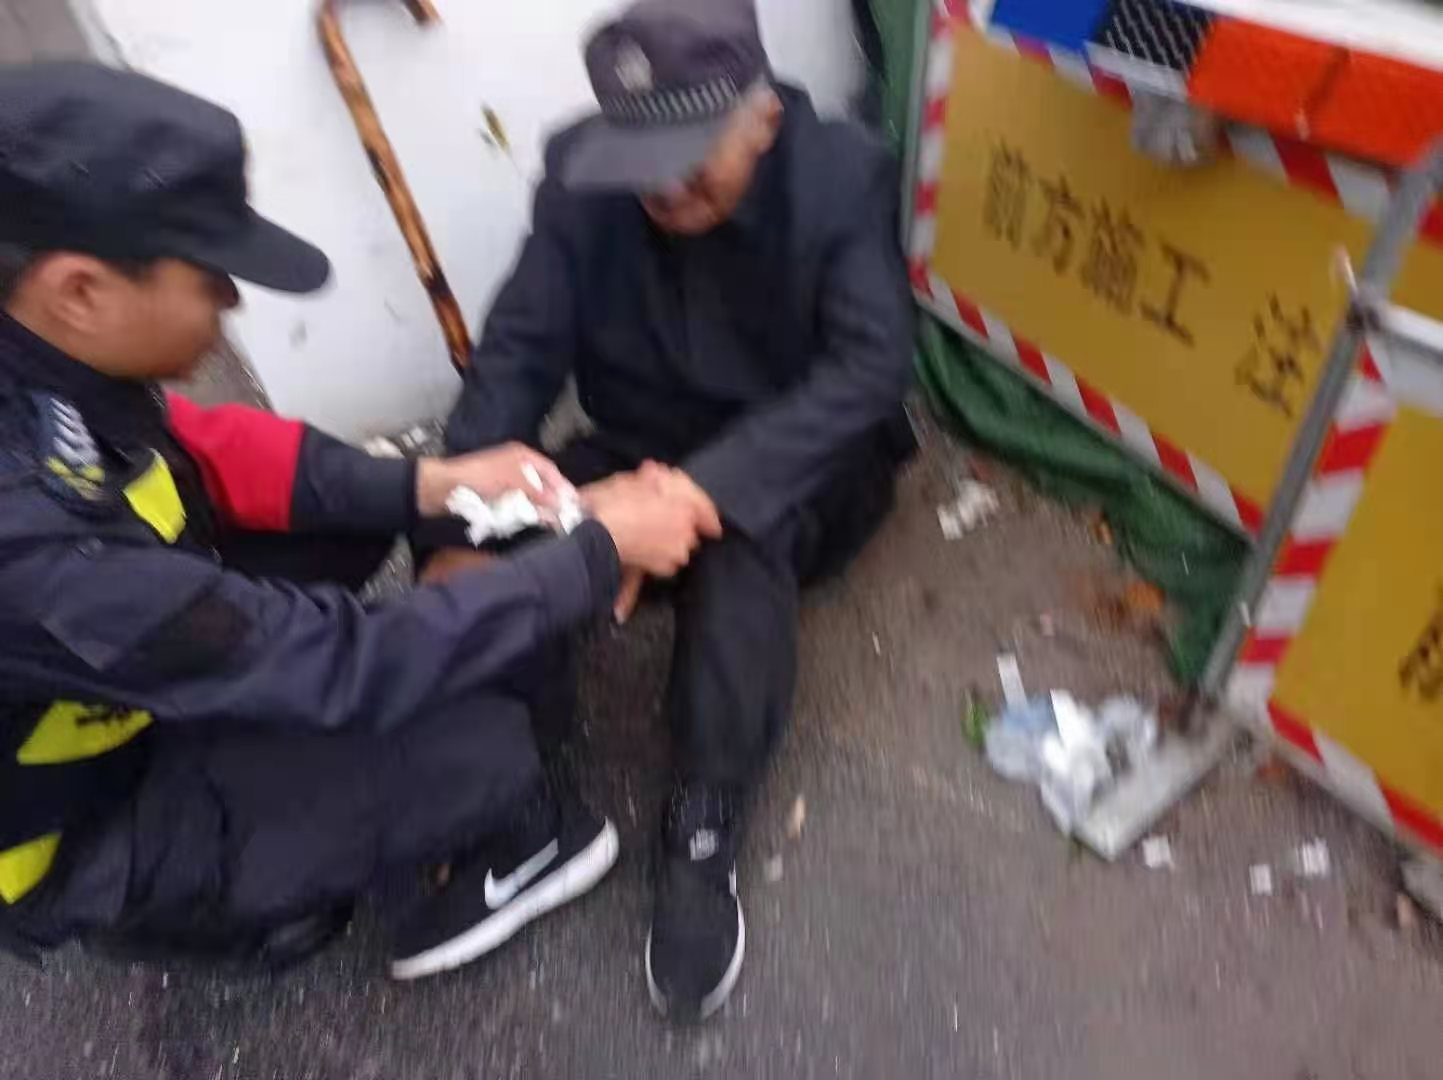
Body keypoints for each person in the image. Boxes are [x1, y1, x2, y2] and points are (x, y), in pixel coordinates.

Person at [0, 61, 719, 975]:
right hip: (79, 810)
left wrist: (430, 483)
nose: (232, 302)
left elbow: (212, 446)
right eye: (210, 276)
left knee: (351, 511)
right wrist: (595, 552)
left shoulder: (42, 362)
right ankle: (203, 910)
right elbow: (337, 659)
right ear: (80, 291)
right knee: (481, 745)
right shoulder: (33, 544)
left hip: (131, 673)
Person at [423, 0, 916, 1021]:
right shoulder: (578, 174)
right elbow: (517, 354)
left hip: (799, 460)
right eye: (640, 162)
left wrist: (696, 492)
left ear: (763, 117)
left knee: (739, 546)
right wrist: (454, 522)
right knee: (507, 540)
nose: (663, 186)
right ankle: (508, 785)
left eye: (691, 158)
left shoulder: (840, 177)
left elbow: (868, 371)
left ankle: (703, 817)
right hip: (634, 442)